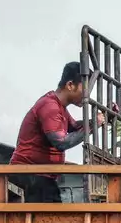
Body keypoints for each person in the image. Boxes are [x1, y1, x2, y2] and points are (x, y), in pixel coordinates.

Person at [9, 61, 108, 202]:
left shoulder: (59, 107)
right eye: (85, 88)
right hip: (28, 175)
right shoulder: (50, 107)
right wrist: (92, 126)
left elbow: (74, 127)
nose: (87, 95)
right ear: (70, 85)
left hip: (40, 176)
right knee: (52, 220)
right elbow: (61, 142)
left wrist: (101, 118)